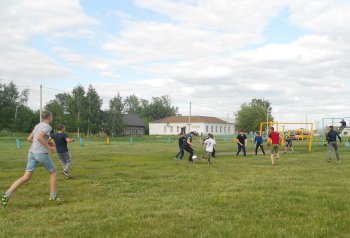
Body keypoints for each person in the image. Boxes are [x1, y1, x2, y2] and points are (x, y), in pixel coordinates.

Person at [1, 111, 58, 208]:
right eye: (52, 116)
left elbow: (30, 138)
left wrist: (46, 141)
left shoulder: (37, 125)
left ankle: (6, 195)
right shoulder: (48, 127)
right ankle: (53, 197)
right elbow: (40, 138)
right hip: (40, 153)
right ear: (49, 117)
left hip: (31, 153)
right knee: (53, 172)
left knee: (26, 177)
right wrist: (49, 147)